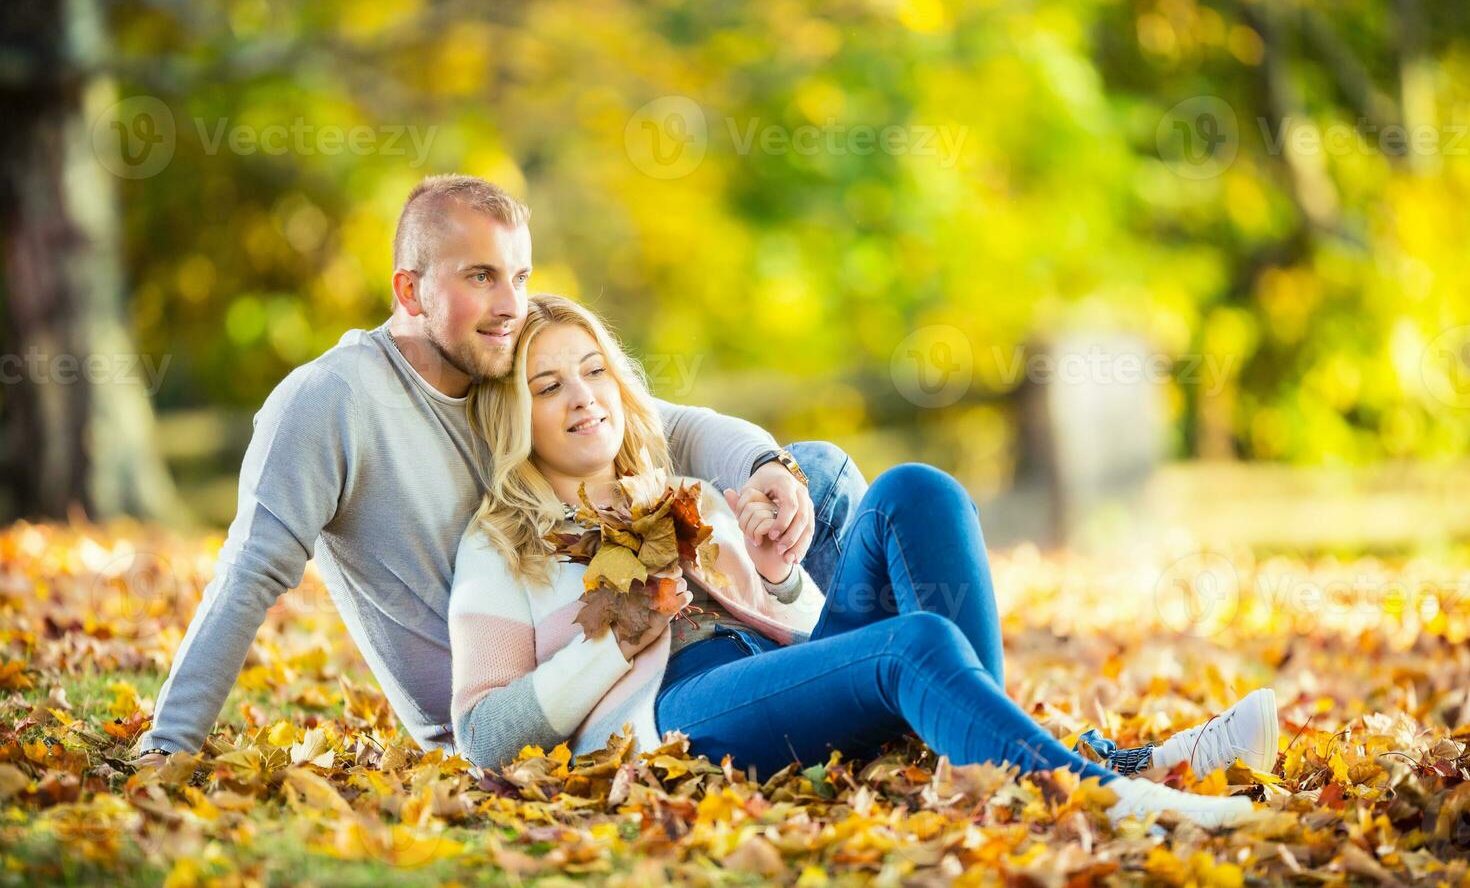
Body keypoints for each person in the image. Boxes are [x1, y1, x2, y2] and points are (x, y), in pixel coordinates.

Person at [450, 293, 1280, 828]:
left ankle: (1031, 765)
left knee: (917, 489)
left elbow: (798, 635)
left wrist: (775, 576)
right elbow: (484, 737)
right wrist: (607, 648)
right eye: (548, 385)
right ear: (512, 415)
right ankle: (1111, 792)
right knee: (910, 644)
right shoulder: (500, 543)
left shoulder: (680, 491)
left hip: (780, 676)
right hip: (680, 718)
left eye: (592, 369)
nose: (582, 394)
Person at [131, 175, 856, 764]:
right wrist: (168, 748)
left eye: (519, 275)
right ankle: (864, 673)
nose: (510, 305)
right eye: (481, 277)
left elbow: (661, 421)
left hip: (612, 642)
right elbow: (247, 575)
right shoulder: (332, 402)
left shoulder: (501, 363)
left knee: (816, 473)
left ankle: (862, 668)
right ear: (410, 291)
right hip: (515, 704)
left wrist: (769, 464)